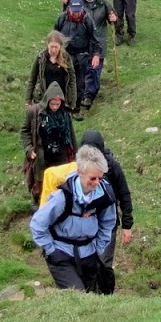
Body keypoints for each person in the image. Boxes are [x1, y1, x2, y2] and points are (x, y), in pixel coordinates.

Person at [31, 145, 116, 293]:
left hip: (89, 254)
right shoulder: (62, 197)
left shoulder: (104, 197)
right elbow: (38, 224)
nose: (97, 183)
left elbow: (108, 223)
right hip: (61, 255)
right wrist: (51, 250)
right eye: (92, 178)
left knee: (93, 298)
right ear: (79, 173)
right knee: (78, 295)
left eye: (100, 178)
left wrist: (98, 247)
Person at [79, 130, 134, 295]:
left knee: (103, 263)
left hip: (107, 225)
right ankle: (88, 296)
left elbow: (124, 195)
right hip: (84, 224)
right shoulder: (78, 168)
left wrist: (127, 225)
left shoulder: (112, 167)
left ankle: (107, 296)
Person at [20, 83, 76, 203]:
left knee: (62, 187)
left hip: (62, 158)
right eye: (52, 104)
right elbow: (24, 131)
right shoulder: (34, 112)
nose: (55, 107)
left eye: (57, 104)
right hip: (43, 159)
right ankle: (40, 212)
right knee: (41, 189)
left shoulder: (66, 114)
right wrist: (29, 149)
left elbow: (71, 136)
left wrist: (76, 157)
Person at [54, 0, 103, 114]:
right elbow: (55, 36)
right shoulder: (62, 18)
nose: (76, 13)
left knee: (80, 83)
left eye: (78, 11)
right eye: (73, 11)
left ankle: (75, 109)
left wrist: (96, 54)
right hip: (65, 54)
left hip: (82, 55)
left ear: (81, 9)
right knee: (63, 80)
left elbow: (95, 39)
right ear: (69, 8)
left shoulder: (88, 20)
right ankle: (62, 106)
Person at [78, 0, 114, 106]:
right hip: (83, 43)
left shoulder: (104, 3)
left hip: (99, 42)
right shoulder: (78, 3)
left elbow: (113, 20)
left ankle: (89, 96)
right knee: (83, 70)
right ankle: (83, 95)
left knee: (94, 71)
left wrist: (113, 19)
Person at [27, 30, 78, 109]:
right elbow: (32, 79)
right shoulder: (40, 58)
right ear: (47, 45)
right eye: (51, 47)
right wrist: (28, 100)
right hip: (43, 97)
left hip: (60, 99)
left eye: (56, 47)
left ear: (60, 46)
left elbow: (72, 81)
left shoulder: (66, 59)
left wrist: (73, 102)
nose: (53, 50)